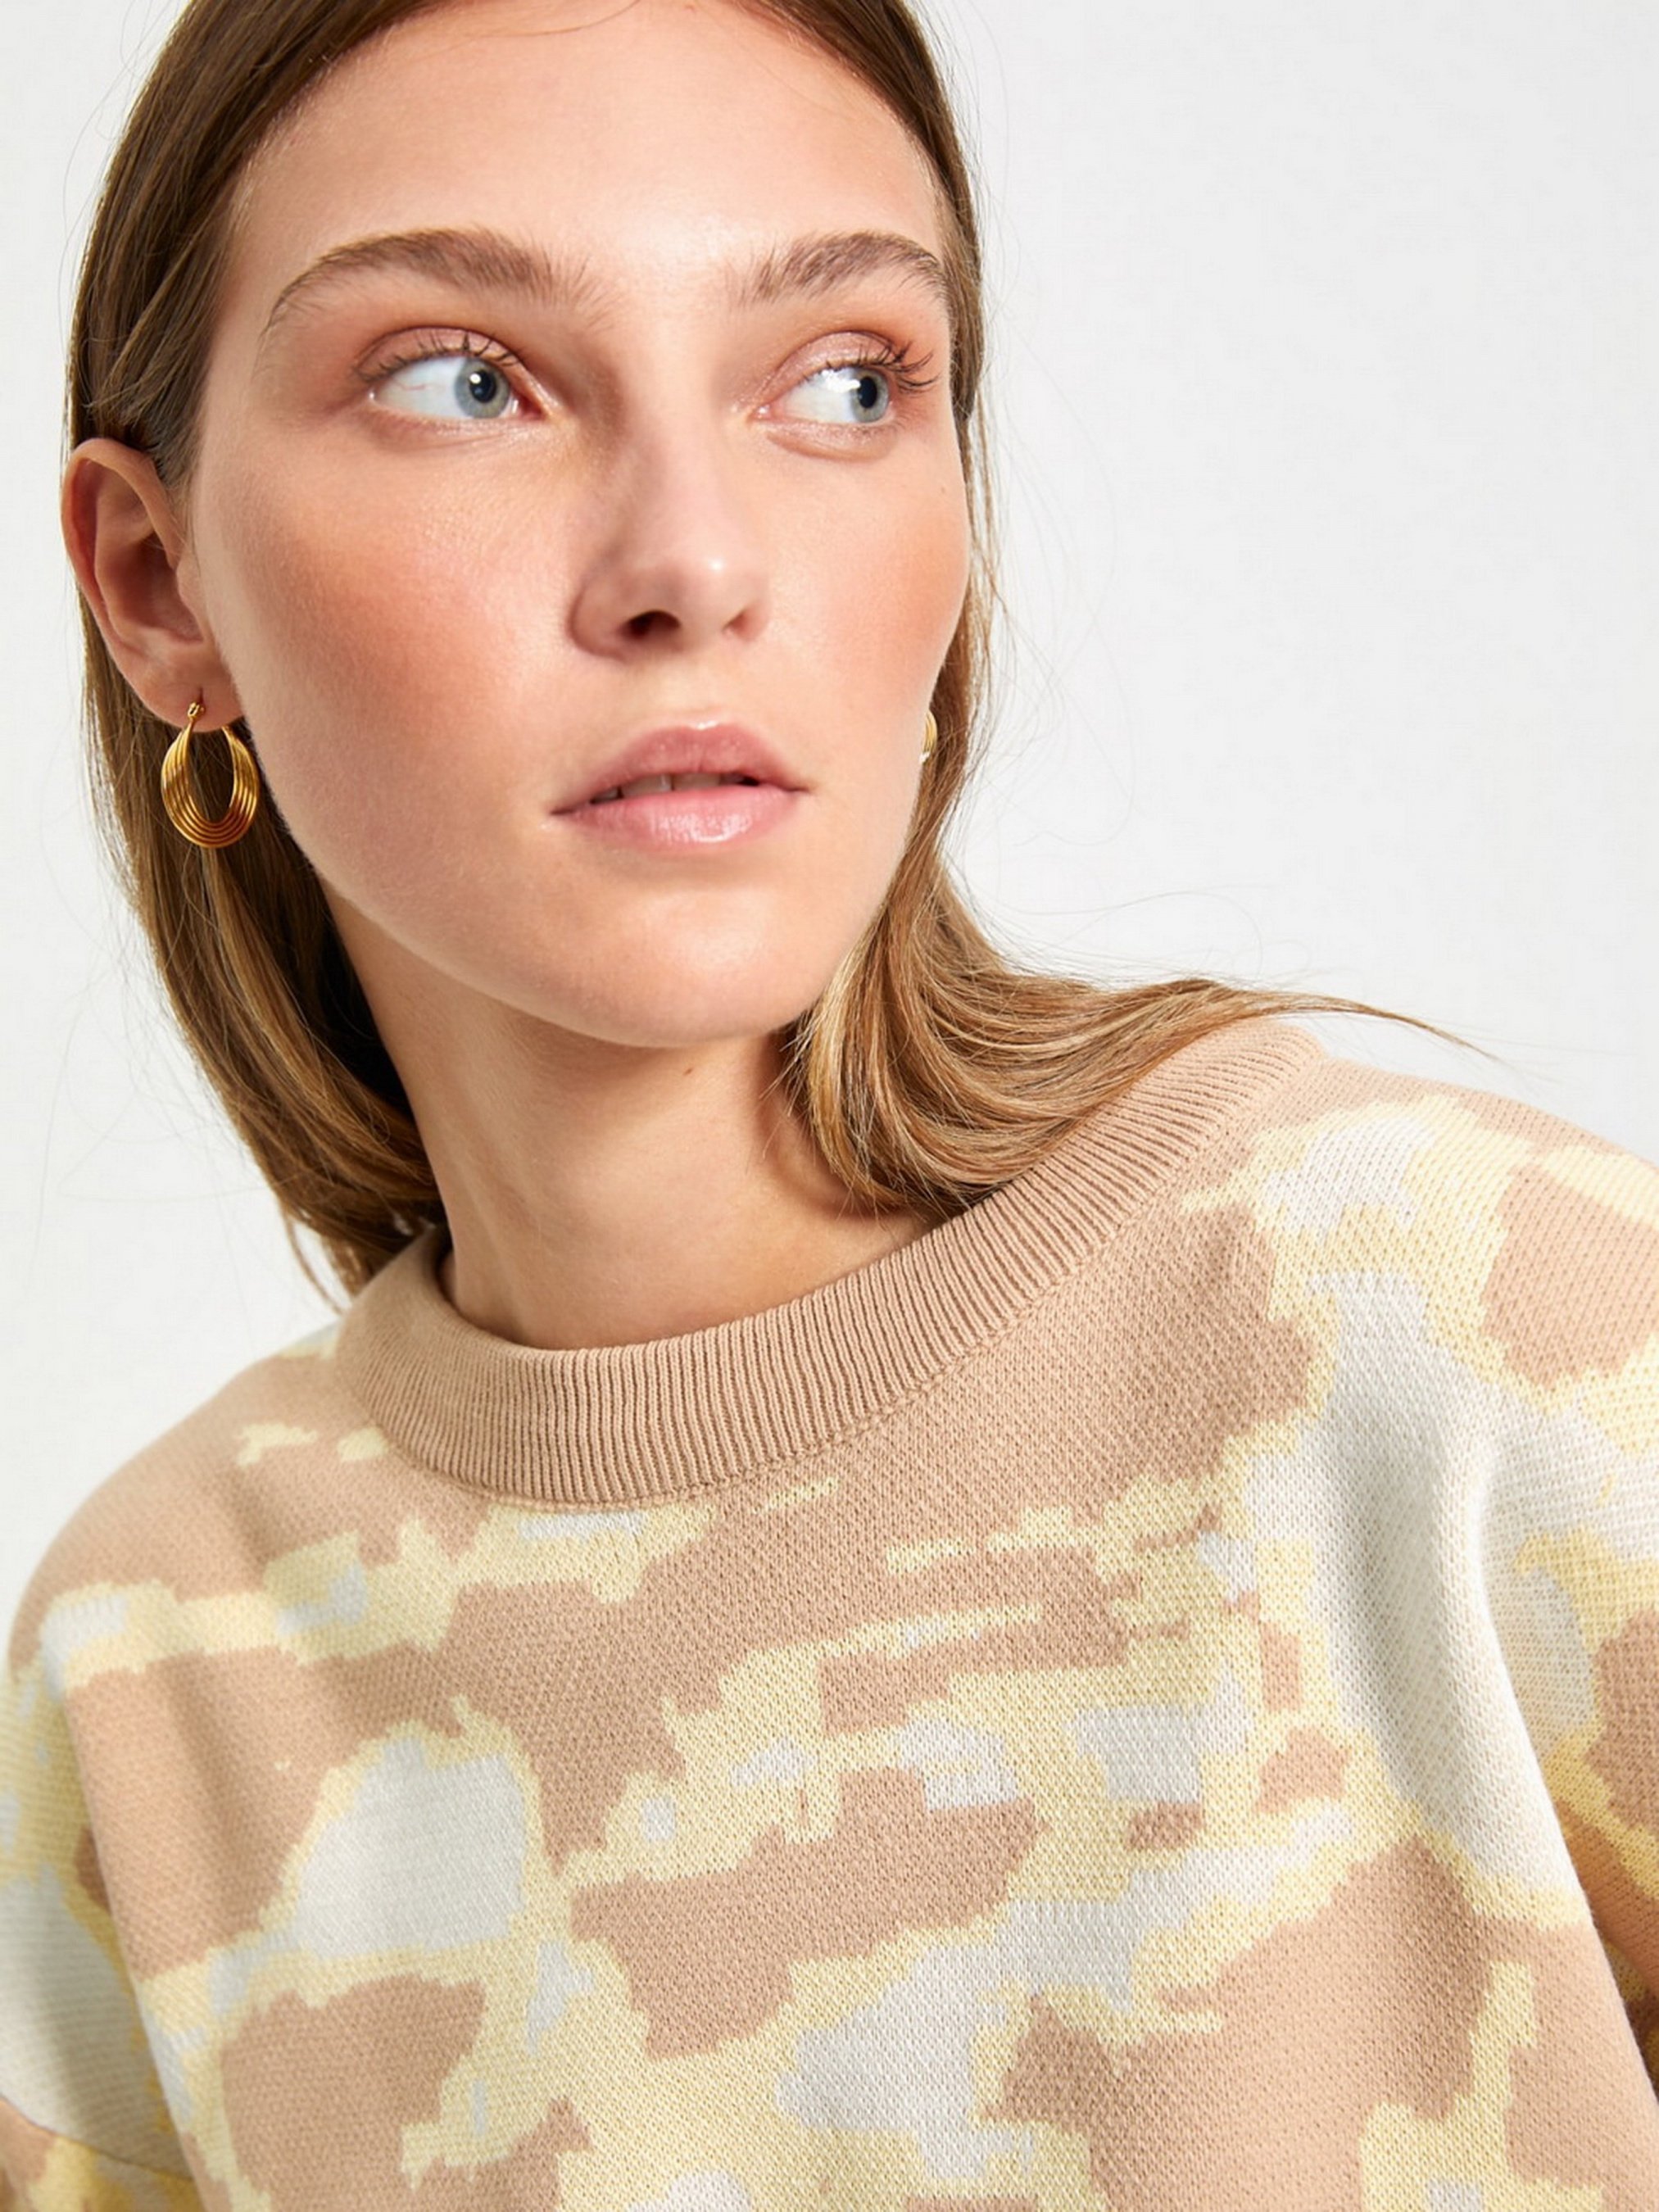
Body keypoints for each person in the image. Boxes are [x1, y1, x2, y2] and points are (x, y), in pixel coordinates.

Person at [2, 0, 1656, 2203]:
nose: (696, 561)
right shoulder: (150, 1665)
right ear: (155, 584)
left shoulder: (1472, 1334)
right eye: (462, 379)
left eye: (847, 381)